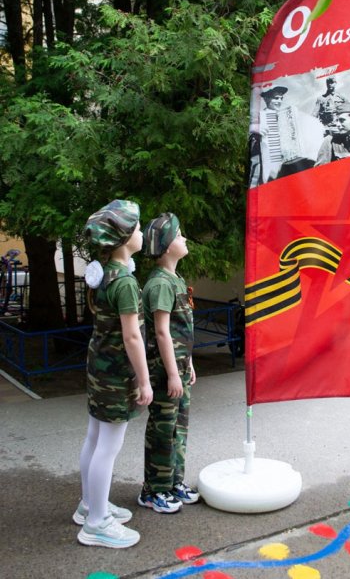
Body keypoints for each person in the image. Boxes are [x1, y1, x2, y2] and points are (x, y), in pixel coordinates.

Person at [74, 199, 153, 549]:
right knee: (108, 446)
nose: (141, 232)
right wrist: (144, 380)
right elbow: (132, 337)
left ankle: (90, 505)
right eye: (136, 227)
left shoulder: (106, 273)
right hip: (116, 374)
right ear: (123, 239)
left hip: (98, 368)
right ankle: (96, 523)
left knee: (94, 438)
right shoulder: (126, 283)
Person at [138, 213, 199, 514]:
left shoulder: (176, 279)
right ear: (164, 246)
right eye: (178, 235)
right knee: (163, 430)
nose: (184, 239)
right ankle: (154, 490)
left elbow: (180, 330)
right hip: (165, 372)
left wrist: (189, 364)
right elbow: (161, 332)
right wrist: (174, 375)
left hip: (179, 368)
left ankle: (174, 482)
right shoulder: (160, 284)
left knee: (178, 429)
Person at [315, 100, 350, 165]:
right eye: (337, 121)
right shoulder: (331, 141)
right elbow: (320, 168)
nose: (338, 124)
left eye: (342, 120)